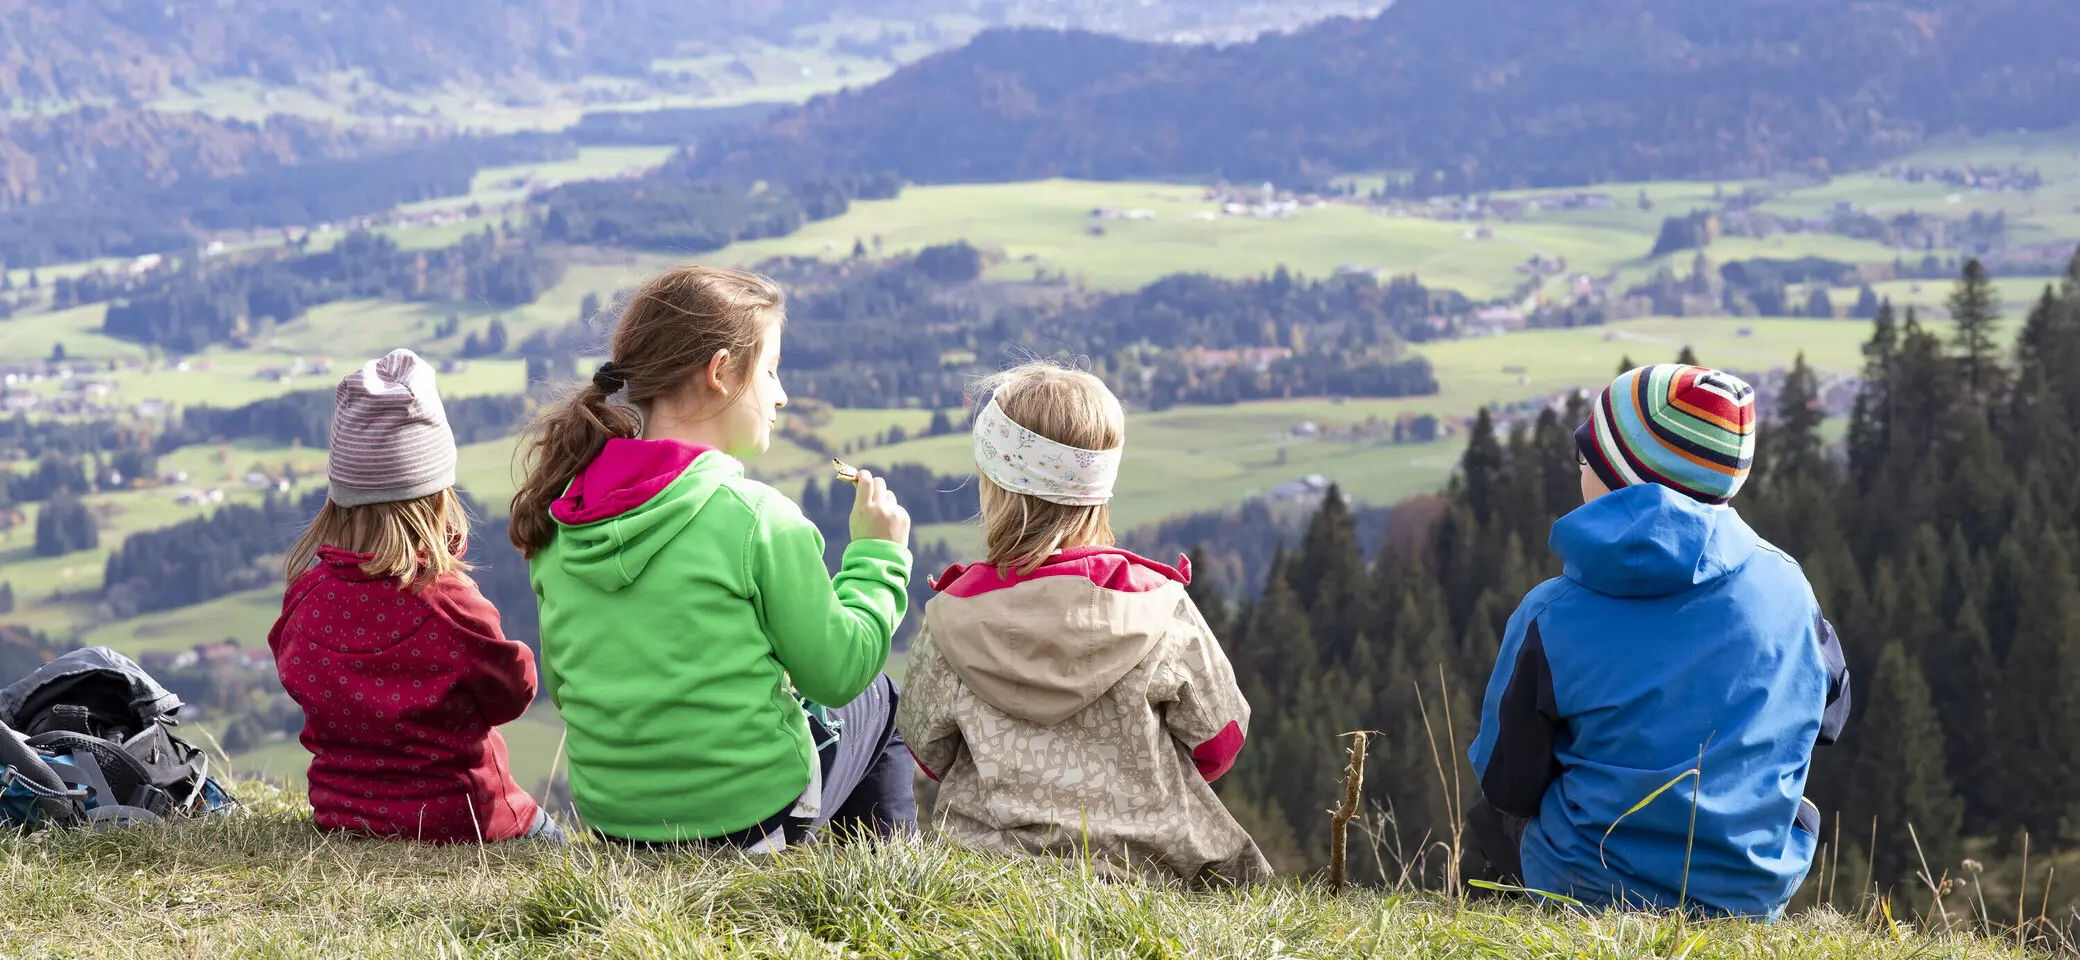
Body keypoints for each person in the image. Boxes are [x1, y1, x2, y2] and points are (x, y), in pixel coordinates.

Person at [511, 265, 915, 851]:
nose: (780, 395)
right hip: (747, 822)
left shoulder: (566, 512)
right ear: (721, 372)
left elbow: (567, 682)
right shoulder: (756, 519)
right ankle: (885, 888)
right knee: (876, 695)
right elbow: (839, 671)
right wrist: (878, 554)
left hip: (616, 828)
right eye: (771, 371)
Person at [1464, 363, 1851, 918]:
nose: (1578, 472)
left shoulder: (1550, 614)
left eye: (1585, 458)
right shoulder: (1788, 586)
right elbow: (1830, 717)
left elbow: (1507, 781)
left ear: (1617, 478)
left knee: (1489, 820)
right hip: (1746, 895)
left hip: (1587, 889)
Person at [896, 362, 1270, 885]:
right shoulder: (1159, 610)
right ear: (1099, 489)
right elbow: (1220, 742)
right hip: (1154, 871)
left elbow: (926, 751)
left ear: (993, 486)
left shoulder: (950, 620)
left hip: (986, 876)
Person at [270, 348, 557, 844]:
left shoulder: (306, 598)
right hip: (468, 820)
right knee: (552, 841)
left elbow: (295, 674)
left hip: (345, 817)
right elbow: (513, 692)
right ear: (438, 494)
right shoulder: (448, 602)